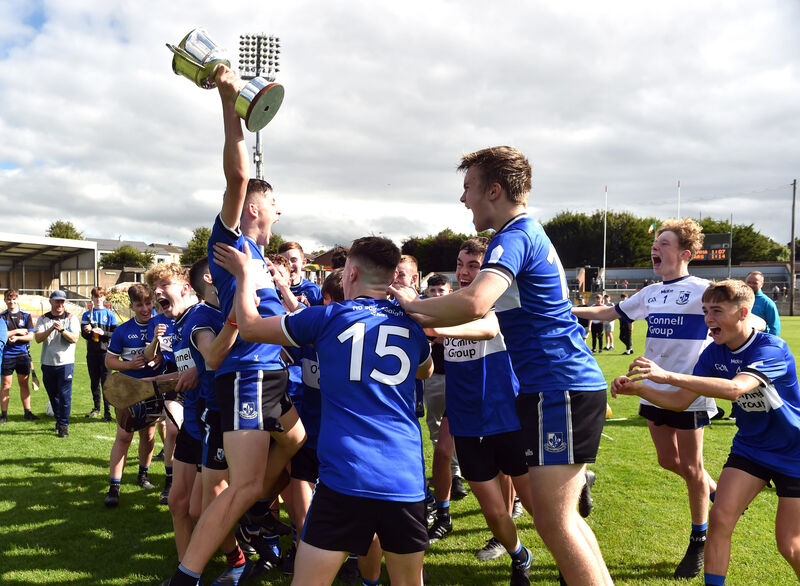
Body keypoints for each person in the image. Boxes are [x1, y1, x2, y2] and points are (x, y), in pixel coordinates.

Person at [390, 146, 612, 585]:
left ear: (493, 190)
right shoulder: (526, 234)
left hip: (559, 388)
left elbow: (476, 301)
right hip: (555, 388)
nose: (463, 199)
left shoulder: (513, 237)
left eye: (468, 188)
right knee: (560, 520)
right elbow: (479, 314)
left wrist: (414, 305)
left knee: (555, 523)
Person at [214, 235, 434, 586]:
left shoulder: (326, 318)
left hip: (346, 477)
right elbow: (426, 370)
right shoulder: (412, 324)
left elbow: (252, 326)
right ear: (392, 277)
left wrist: (243, 276)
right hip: (403, 478)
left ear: (352, 273)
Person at [162, 63, 305, 586]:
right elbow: (238, 176)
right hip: (245, 375)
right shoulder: (230, 244)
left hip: (268, 375)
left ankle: (258, 510)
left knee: (295, 438)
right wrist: (229, 100)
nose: (276, 213)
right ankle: (189, 574)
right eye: (271, 205)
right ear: (252, 209)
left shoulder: (263, 263)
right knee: (240, 487)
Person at [612, 279, 800, 584]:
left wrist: (668, 374)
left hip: (793, 453)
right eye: (705, 311)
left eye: (716, 311)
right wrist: (639, 390)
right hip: (750, 449)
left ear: (742, 313)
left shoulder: (771, 348)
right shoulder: (714, 353)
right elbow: (679, 401)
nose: (708, 319)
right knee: (720, 519)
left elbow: (736, 389)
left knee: (789, 545)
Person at [573, 217, 717, 579]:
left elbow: (741, 314)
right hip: (651, 387)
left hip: (689, 389)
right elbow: (607, 312)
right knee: (669, 461)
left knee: (693, 468)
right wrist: (563, 310)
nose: (657, 248)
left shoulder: (704, 289)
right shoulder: (650, 293)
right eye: (657, 244)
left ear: (685, 254)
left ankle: (699, 539)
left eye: (664, 243)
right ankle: (719, 493)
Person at [423, 237, 534, 584]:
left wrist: (438, 327)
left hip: (506, 419)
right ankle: (521, 556)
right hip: (466, 423)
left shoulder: (499, 302)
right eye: (460, 264)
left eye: (473, 265)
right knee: (493, 512)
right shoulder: (451, 303)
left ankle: (565, 560)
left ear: (488, 270)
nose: (464, 271)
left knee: (539, 508)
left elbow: (488, 327)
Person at [104, 284, 164, 506]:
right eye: (139, 305)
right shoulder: (122, 330)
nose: (145, 309)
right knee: (123, 436)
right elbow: (109, 360)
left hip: (154, 389)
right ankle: (114, 487)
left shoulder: (163, 324)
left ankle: (143, 474)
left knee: (148, 435)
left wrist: (162, 359)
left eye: (149, 303)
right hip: (128, 390)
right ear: (131, 306)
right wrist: (128, 365)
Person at [35, 290, 79, 438]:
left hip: (65, 363)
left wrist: (62, 330)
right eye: (57, 301)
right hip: (47, 363)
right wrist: (51, 328)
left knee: (65, 396)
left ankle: (63, 426)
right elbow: (38, 339)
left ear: (65, 302)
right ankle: (59, 420)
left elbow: (74, 338)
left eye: (62, 301)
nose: (60, 304)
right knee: (53, 396)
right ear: (51, 301)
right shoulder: (43, 319)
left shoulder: (71, 318)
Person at [81, 286, 118, 421]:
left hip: (106, 353)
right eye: (95, 296)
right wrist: (87, 331)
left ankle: (108, 412)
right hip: (91, 353)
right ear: (92, 298)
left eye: (100, 296)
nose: (98, 299)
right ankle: (96, 408)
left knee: (106, 383)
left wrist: (103, 333)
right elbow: (83, 335)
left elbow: (115, 334)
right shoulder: (87, 314)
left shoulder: (109, 314)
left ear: (104, 298)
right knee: (94, 381)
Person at [1, 289, 38, 423]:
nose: (12, 301)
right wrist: (16, 332)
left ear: (17, 299)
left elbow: (30, 336)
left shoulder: (26, 316)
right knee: (6, 385)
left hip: (22, 355)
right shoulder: (2, 317)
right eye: (9, 299)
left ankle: (27, 412)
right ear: (5, 300)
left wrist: (16, 338)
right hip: (7, 355)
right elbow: (2, 335)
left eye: (14, 299)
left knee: (24, 384)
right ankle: (4, 415)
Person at [278, 241, 323, 306]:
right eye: (284, 261)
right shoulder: (273, 289)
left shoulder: (314, 290)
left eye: (294, 260)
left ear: (303, 263)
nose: (289, 265)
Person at [745, 271, 781, 336]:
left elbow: (774, 328)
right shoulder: (739, 299)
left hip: (758, 341)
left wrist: (769, 344)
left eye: (755, 283)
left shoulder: (767, 303)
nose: (751, 285)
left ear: (762, 284)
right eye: (749, 282)